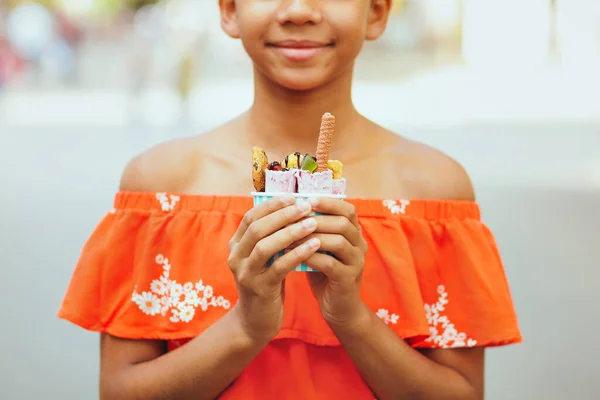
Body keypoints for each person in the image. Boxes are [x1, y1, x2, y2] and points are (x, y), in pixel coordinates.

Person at [58, 1, 521, 399]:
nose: (299, 11)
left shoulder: (434, 191)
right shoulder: (163, 187)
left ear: (376, 12)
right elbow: (120, 391)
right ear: (229, 9)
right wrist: (246, 326)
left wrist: (352, 318)